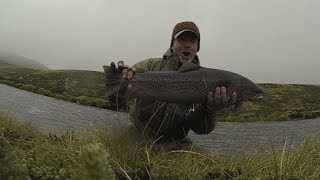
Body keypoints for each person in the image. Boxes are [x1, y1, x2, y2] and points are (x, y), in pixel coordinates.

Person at [105, 21, 237, 143]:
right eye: (181, 40)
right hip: (137, 135)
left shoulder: (206, 81)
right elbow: (115, 102)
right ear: (172, 44)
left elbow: (201, 130)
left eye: (192, 41)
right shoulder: (148, 67)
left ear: (197, 48)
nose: (187, 45)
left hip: (176, 144)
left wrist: (209, 110)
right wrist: (120, 85)